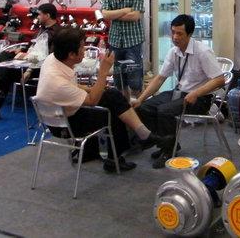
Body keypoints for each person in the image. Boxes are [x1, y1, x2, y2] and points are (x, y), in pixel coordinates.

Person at [35, 28, 166, 172]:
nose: (85, 50)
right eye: (81, 47)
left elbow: (73, 86)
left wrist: (93, 88)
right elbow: (92, 100)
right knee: (112, 110)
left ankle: (137, 138)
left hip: (57, 118)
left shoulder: (52, 60)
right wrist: (103, 72)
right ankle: (122, 151)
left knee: (112, 97)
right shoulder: (58, 83)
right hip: (66, 126)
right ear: (71, 54)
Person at [134, 14, 225, 169]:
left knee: (164, 111)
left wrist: (196, 93)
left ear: (189, 34)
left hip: (201, 98)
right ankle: (167, 143)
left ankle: (169, 150)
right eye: (173, 32)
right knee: (145, 107)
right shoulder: (173, 52)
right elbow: (160, 78)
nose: (175, 37)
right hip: (181, 93)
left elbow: (219, 80)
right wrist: (140, 99)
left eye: (179, 34)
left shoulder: (203, 52)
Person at [0, 3, 61, 124]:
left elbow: (50, 56)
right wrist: (21, 50)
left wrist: (29, 68)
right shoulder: (41, 29)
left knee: (6, 73)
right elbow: (32, 45)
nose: (37, 17)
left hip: (39, 66)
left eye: (39, 14)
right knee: (4, 56)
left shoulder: (57, 33)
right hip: (28, 60)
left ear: (47, 15)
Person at [101, 0, 145, 99]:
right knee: (119, 80)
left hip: (133, 42)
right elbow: (105, 15)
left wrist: (113, 14)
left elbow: (135, 16)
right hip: (115, 42)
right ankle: (124, 107)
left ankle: (138, 106)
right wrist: (126, 10)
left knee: (135, 80)